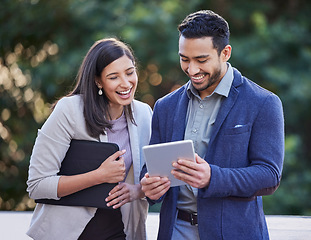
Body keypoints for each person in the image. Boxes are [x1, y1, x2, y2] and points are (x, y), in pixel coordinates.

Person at [140, 10, 284, 240]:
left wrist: (212, 178)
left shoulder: (263, 103)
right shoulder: (165, 106)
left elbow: (269, 175)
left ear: (225, 53)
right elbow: (150, 171)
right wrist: (149, 187)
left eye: (201, 60)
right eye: (184, 59)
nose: (192, 70)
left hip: (235, 233)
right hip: (175, 231)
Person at [26, 38, 152, 240]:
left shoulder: (144, 114)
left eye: (130, 72)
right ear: (98, 81)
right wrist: (99, 175)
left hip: (120, 230)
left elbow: (152, 175)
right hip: (69, 232)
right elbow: (37, 185)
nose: (126, 83)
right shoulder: (70, 110)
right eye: (114, 77)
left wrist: (137, 191)